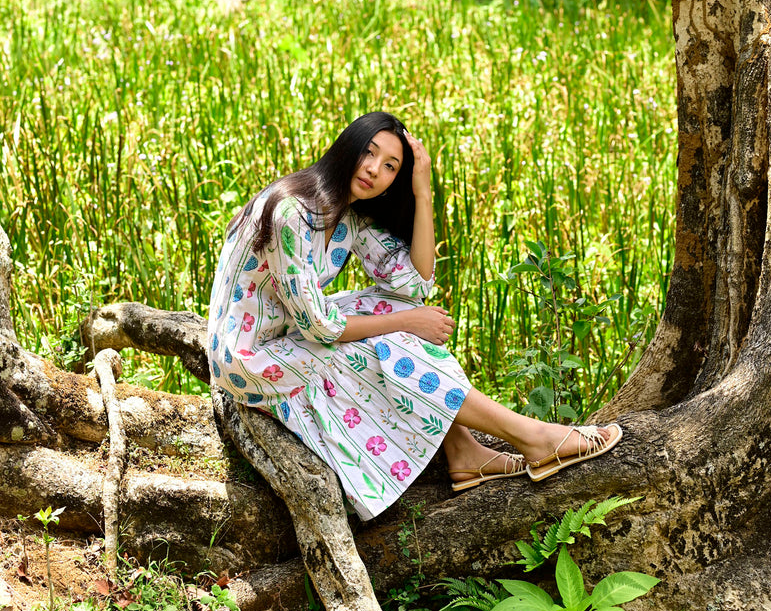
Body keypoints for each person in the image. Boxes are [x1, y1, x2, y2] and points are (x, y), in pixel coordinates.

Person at [207, 111, 622, 521]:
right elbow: (320, 327)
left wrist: (423, 192)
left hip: (290, 329)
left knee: (405, 311)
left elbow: (415, 285)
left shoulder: (348, 214)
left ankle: (463, 451)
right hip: (249, 356)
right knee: (393, 332)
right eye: (369, 153)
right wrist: (406, 323)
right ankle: (533, 436)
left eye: (390, 167)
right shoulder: (291, 213)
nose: (374, 170)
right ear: (347, 148)